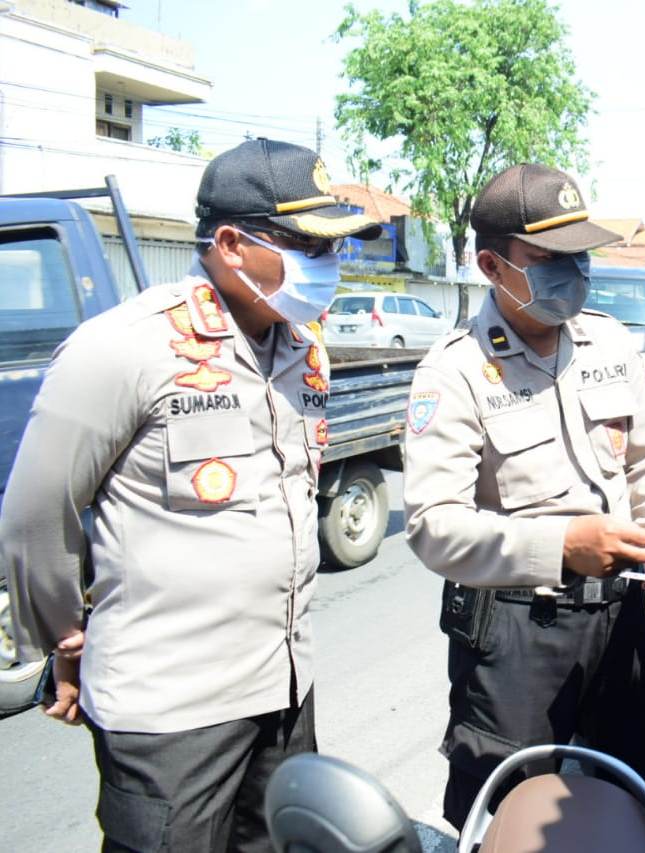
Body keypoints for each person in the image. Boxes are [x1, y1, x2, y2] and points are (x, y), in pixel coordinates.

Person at [0, 138, 381, 851]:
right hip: (171, 712)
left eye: (331, 248)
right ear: (232, 244)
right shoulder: (123, 349)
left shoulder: (301, 346)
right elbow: (32, 519)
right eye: (307, 245)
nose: (327, 265)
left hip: (283, 690)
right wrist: (68, 640)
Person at [401, 163, 645, 838]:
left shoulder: (610, 342)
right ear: (491, 263)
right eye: (548, 259)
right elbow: (433, 528)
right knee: (507, 818)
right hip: (516, 632)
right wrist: (558, 548)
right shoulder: (454, 372)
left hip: (619, 615)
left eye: (579, 255)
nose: (573, 272)